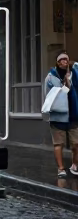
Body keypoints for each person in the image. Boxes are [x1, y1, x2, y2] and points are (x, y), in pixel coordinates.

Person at [44, 51, 78, 181]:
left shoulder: (74, 74)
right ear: (58, 62)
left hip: (73, 114)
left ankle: (74, 165)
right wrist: (64, 85)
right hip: (58, 116)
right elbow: (48, 96)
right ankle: (61, 168)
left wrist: (73, 72)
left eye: (67, 59)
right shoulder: (51, 77)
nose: (65, 61)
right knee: (58, 144)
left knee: (76, 143)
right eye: (62, 59)